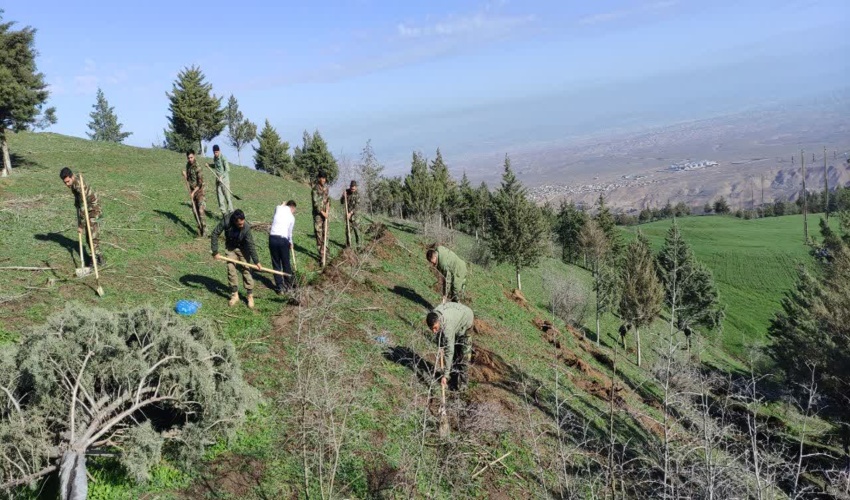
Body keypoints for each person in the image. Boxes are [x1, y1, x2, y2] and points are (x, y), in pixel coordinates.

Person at [210, 209, 262, 309]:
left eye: (243, 223)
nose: (241, 225)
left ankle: (250, 296)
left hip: (243, 249)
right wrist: (215, 251)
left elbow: (250, 244)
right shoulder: (226, 221)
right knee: (231, 270)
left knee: (246, 270)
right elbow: (215, 233)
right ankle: (235, 295)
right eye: (239, 224)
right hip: (231, 248)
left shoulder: (246, 227)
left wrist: (256, 261)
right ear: (234, 221)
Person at [60, 167, 104, 266]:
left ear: (72, 177)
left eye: (68, 181)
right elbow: (79, 201)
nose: (67, 184)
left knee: (92, 236)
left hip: (94, 209)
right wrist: (76, 203)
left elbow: (83, 209)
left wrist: (81, 225)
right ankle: (99, 257)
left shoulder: (79, 186)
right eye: (65, 182)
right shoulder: (73, 183)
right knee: (89, 237)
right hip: (86, 207)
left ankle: (95, 259)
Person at [426, 302, 474, 391]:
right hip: (456, 315)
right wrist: (440, 344)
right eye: (431, 329)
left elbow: (449, 351)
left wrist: (445, 375)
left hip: (466, 318)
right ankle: (453, 377)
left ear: (438, 321)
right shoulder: (435, 314)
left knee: (463, 356)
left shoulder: (448, 328)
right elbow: (439, 334)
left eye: (435, 328)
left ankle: (462, 386)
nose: (434, 331)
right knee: (455, 352)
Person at [268, 200, 297, 294]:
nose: (294, 212)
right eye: (294, 210)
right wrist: (291, 242)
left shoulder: (278, 208)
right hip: (283, 240)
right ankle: (288, 286)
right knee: (286, 263)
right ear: (292, 208)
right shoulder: (292, 217)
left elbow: (280, 206)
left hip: (272, 238)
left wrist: (283, 204)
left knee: (276, 263)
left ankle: (280, 287)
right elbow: (290, 233)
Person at [182, 150, 206, 236]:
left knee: (200, 210)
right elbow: (189, 179)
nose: (190, 159)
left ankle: (205, 231)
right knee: (194, 210)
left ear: (194, 156)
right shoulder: (188, 165)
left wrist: (194, 192)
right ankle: (200, 228)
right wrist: (185, 176)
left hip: (199, 191)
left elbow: (200, 184)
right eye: (188, 158)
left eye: (191, 157)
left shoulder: (198, 167)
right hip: (192, 191)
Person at [207, 144, 233, 217]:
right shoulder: (215, 158)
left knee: (227, 197)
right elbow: (216, 166)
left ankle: (231, 213)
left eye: (217, 152)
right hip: (218, 180)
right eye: (214, 152)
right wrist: (209, 165)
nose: (216, 154)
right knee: (220, 198)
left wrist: (221, 176)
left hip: (224, 180)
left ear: (219, 151)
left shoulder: (223, 158)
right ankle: (224, 214)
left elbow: (227, 169)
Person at [311, 171, 329, 263]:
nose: (323, 180)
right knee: (319, 235)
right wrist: (323, 212)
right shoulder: (315, 189)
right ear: (319, 178)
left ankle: (326, 253)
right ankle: (322, 256)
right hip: (318, 216)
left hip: (325, 215)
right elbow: (316, 204)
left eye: (324, 178)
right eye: (322, 178)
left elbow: (327, 200)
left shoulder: (326, 188)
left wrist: (328, 208)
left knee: (326, 233)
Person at [341, 180, 361, 249]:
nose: (352, 190)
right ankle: (348, 246)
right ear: (350, 187)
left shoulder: (357, 194)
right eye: (351, 188)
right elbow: (342, 202)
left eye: (354, 188)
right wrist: (343, 196)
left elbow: (357, 206)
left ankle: (359, 247)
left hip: (355, 217)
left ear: (356, 188)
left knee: (357, 232)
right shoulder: (347, 192)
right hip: (348, 216)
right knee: (348, 231)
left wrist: (350, 213)